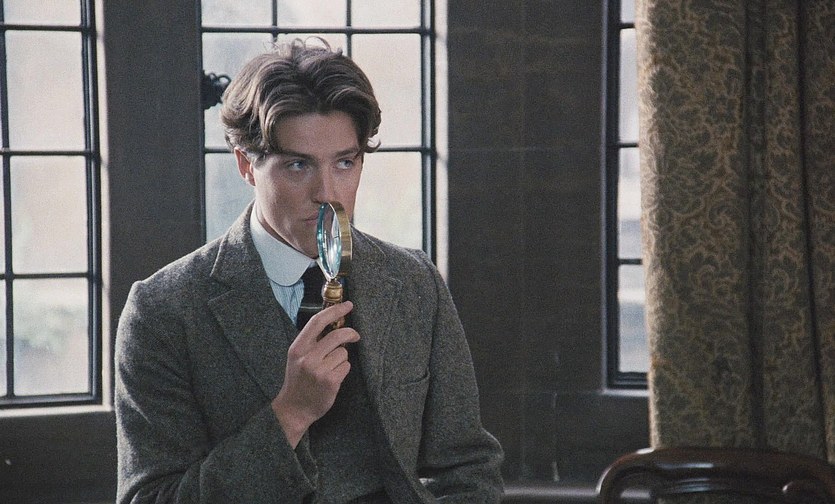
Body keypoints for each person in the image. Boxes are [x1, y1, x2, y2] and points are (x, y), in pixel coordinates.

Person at [115, 38, 504, 503]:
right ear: (246, 165)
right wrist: (290, 414)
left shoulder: (414, 282)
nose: (328, 193)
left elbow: (467, 469)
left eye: (345, 163)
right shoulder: (162, 311)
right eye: (298, 165)